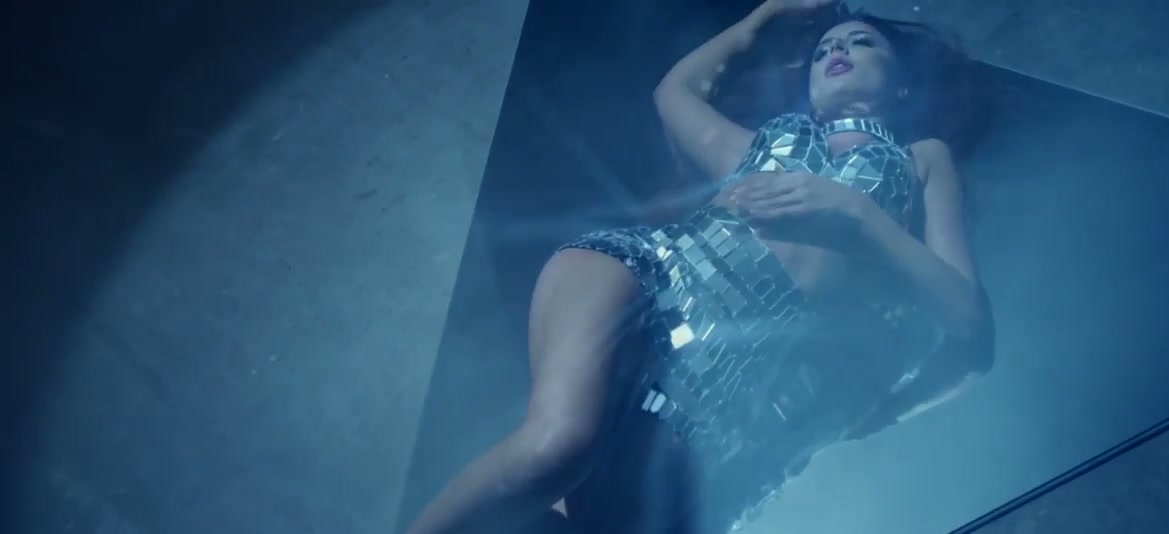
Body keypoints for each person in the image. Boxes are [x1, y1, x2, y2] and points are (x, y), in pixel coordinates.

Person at [407, 1, 994, 533]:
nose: (837, 50)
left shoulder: (920, 162)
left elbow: (969, 326)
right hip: (651, 281)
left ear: (903, 83)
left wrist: (856, 213)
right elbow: (674, 93)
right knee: (556, 450)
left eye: (861, 42)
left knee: (591, 523)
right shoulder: (763, 145)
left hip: (718, 390)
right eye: (823, 49)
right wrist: (766, 15)